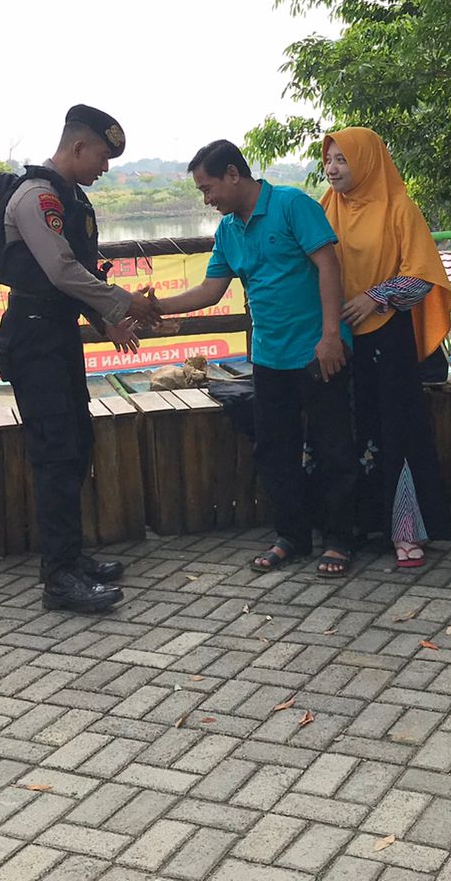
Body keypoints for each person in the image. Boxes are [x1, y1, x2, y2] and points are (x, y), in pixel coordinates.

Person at [153, 140, 358, 576]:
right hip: (269, 357)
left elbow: (328, 265)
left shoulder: (291, 205)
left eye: (208, 189)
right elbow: (211, 290)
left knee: (333, 447)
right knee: (274, 450)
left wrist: (330, 337)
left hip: (317, 351)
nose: (207, 200)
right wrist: (157, 307)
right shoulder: (229, 230)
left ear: (233, 173)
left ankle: (340, 539)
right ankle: (292, 536)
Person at [0, 104, 155, 613]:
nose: (105, 167)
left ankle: (71, 557)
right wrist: (125, 302)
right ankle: (58, 579)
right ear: (78, 146)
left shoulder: (70, 197)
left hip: (56, 336)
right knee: (56, 454)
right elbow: (60, 271)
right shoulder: (36, 196)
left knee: (75, 445)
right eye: (102, 157)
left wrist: (106, 322)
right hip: (34, 338)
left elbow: (77, 276)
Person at [320, 128, 451, 569]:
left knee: (397, 428)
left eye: (343, 159)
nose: (333, 169)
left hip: (386, 336)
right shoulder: (324, 208)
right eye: (329, 160)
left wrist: (375, 296)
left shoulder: (399, 208)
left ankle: (405, 530)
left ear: (367, 162)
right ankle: (355, 525)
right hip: (340, 337)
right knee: (346, 430)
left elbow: (422, 275)